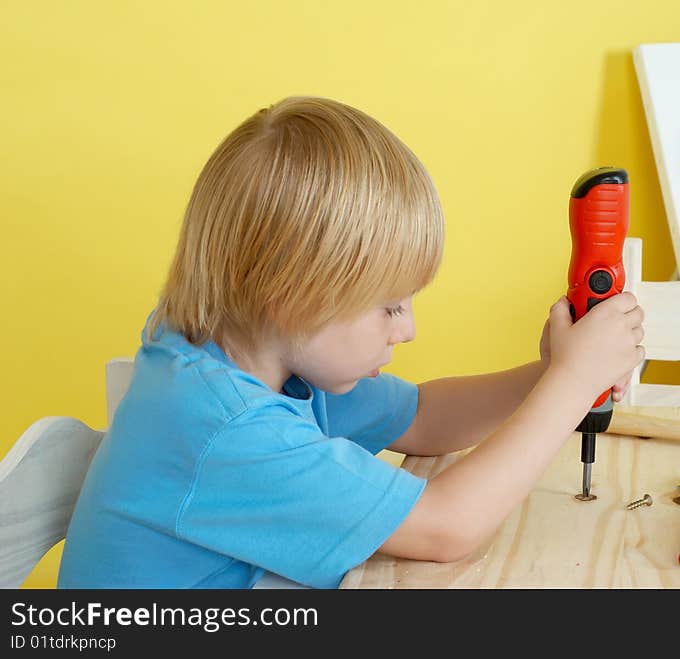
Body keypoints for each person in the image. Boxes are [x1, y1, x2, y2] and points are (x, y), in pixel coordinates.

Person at [58, 96, 644, 589]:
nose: (407, 328)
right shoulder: (231, 428)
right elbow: (448, 526)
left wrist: (550, 374)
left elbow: (423, 417)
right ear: (291, 295)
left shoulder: (240, 351)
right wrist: (569, 387)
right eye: (389, 306)